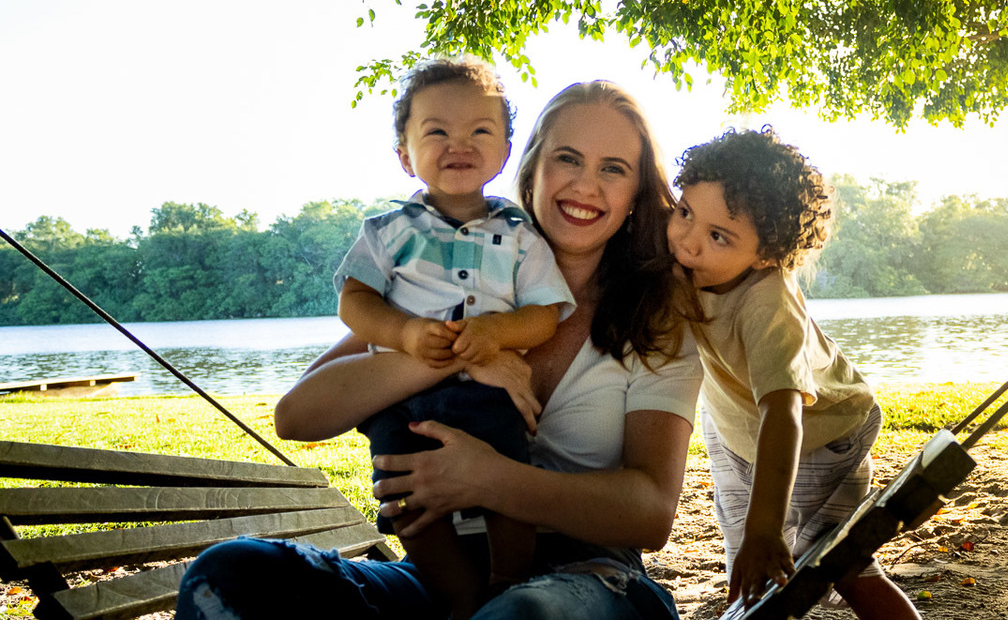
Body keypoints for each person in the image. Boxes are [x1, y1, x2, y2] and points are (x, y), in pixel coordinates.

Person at [175, 80, 703, 620]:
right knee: (229, 574)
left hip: (591, 578)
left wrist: (489, 480)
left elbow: (651, 513)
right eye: (567, 158)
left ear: (636, 191)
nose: (586, 185)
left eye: (613, 168)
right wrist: (462, 351)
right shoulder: (437, 283)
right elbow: (296, 416)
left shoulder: (653, 317)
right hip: (447, 578)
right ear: (532, 167)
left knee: (521, 615)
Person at [333, 59, 575, 617]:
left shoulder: (520, 235)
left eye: (479, 131)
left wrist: (494, 332)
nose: (458, 144)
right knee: (405, 498)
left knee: (506, 479)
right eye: (436, 130)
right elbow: (355, 302)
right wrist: (406, 333)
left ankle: (509, 579)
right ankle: (456, 595)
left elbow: (546, 314)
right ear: (403, 153)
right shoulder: (386, 232)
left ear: (506, 150)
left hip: (486, 392)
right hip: (399, 399)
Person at [666, 127, 921, 618]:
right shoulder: (690, 260)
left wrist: (766, 529)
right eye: (685, 213)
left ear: (765, 254)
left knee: (839, 564)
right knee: (746, 567)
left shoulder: (767, 302)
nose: (688, 243)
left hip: (820, 437)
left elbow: (784, 415)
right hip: (735, 432)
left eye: (718, 236)